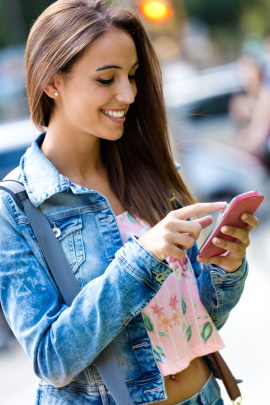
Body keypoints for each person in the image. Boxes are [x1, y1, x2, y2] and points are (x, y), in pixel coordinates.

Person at [0, 1, 258, 404]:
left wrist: (227, 269)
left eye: (133, 75)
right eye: (106, 78)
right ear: (53, 82)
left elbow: (195, 321)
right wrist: (142, 258)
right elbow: (51, 359)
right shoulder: (16, 208)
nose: (128, 93)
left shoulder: (150, 172)